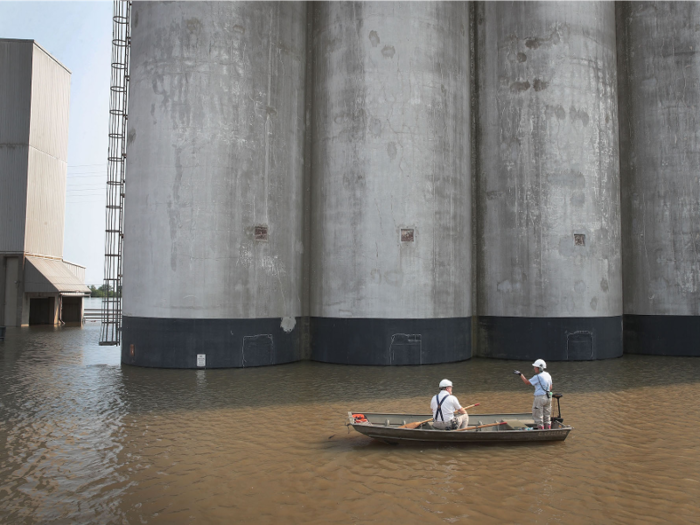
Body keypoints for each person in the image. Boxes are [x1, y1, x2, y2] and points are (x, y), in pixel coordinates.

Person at [514, 359, 553, 430]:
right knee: (547, 416)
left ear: (539, 368)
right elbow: (550, 387)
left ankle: (541, 431)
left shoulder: (537, 377)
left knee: (538, 416)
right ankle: (548, 430)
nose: (534, 368)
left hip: (540, 398)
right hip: (548, 398)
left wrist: (520, 374)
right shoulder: (548, 375)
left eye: (535, 367)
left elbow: (527, 382)